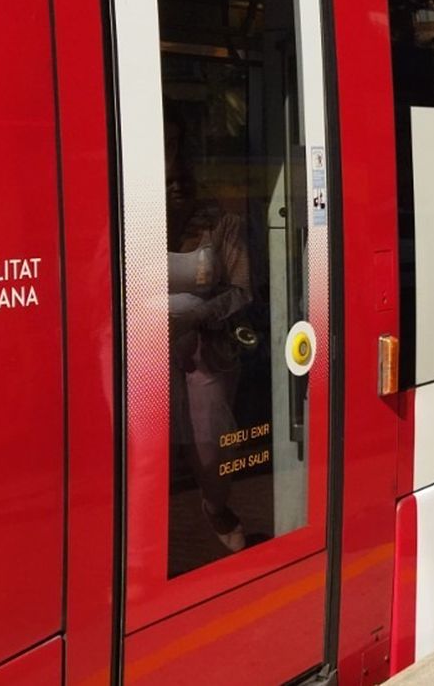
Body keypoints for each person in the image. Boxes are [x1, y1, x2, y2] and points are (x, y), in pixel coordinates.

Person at [166, 118, 253, 555]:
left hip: (208, 352)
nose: (179, 181)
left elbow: (242, 289)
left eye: (187, 172)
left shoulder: (223, 222)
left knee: (209, 446)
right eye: (170, 171)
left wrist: (199, 314)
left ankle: (215, 506)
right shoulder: (140, 221)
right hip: (147, 352)